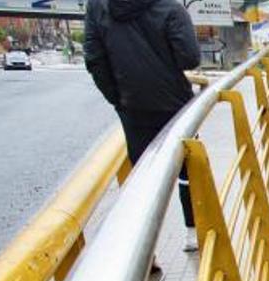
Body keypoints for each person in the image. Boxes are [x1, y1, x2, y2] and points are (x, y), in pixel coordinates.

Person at [83, 0, 201, 256]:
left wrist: (119, 99)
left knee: (142, 180)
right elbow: (189, 58)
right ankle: (194, 232)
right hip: (176, 103)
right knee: (189, 171)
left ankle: (146, 252)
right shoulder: (170, 7)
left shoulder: (98, 7)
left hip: (133, 106)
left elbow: (94, 60)